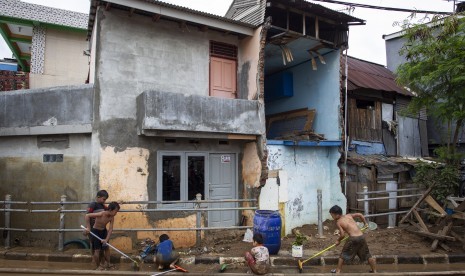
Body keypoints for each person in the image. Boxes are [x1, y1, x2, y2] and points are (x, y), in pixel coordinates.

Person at [329, 205, 377, 274]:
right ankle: (374, 271)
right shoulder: (348, 215)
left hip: (353, 238)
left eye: (332, 215)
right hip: (361, 237)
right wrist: (365, 223)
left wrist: (338, 241)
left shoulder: (338, 222)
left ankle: (338, 271)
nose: (332, 217)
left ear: (336, 215)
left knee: (342, 255)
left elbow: (342, 235)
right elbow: (360, 214)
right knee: (367, 254)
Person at [84, 201, 120, 271]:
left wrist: (106, 239)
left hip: (103, 231)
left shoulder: (112, 217)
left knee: (106, 248)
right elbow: (87, 216)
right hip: (95, 231)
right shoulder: (101, 213)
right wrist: (88, 227)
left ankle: (108, 263)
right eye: (116, 211)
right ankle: (98, 266)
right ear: (110, 210)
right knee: (97, 250)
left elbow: (110, 229)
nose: (116, 213)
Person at [86, 190, 109, 268]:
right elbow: (87, 215)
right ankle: (95, 264)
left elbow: (109, 209)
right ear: (98, 197)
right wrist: (88, 227)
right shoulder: (93, 205)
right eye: (103, 199)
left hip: (101, 229)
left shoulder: (103, 206)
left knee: (101, 248)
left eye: (105, 199)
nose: (104, 201)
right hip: (93, 229)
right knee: (95, 248)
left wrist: (118, 203)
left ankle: (101, 264)